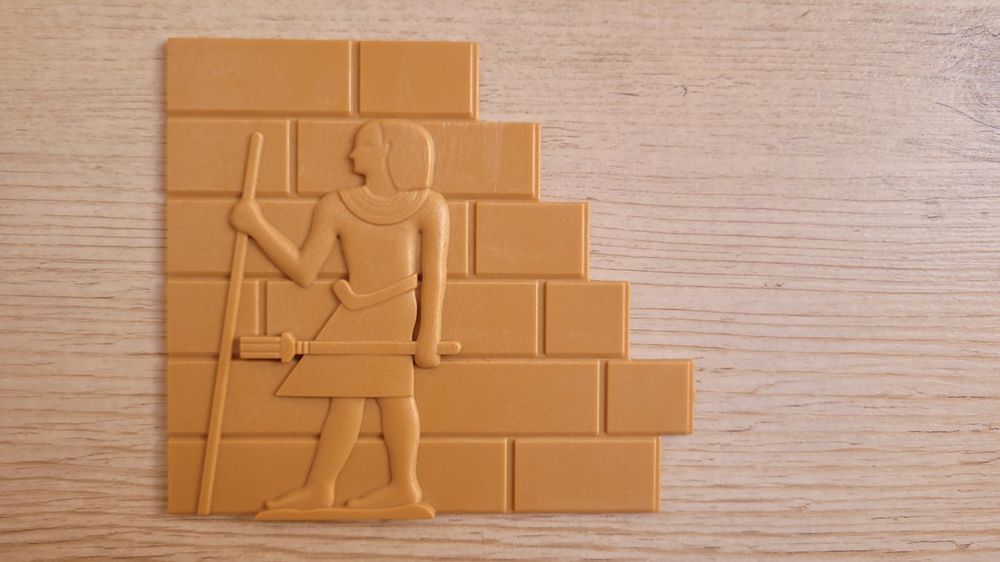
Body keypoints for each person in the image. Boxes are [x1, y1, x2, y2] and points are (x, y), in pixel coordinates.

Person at [229, 119, 449, 511]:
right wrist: (257, 226)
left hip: (395, 311)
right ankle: (323, 488)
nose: (350, 155)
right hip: (353, 310)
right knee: (347, 397)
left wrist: (428, 334)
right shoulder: (336, 205)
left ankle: (402, 485)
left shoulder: (429, 205)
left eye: (363, 145)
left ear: (391, 151)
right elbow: (304, 270)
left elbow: (435, 274)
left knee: (394, 393)